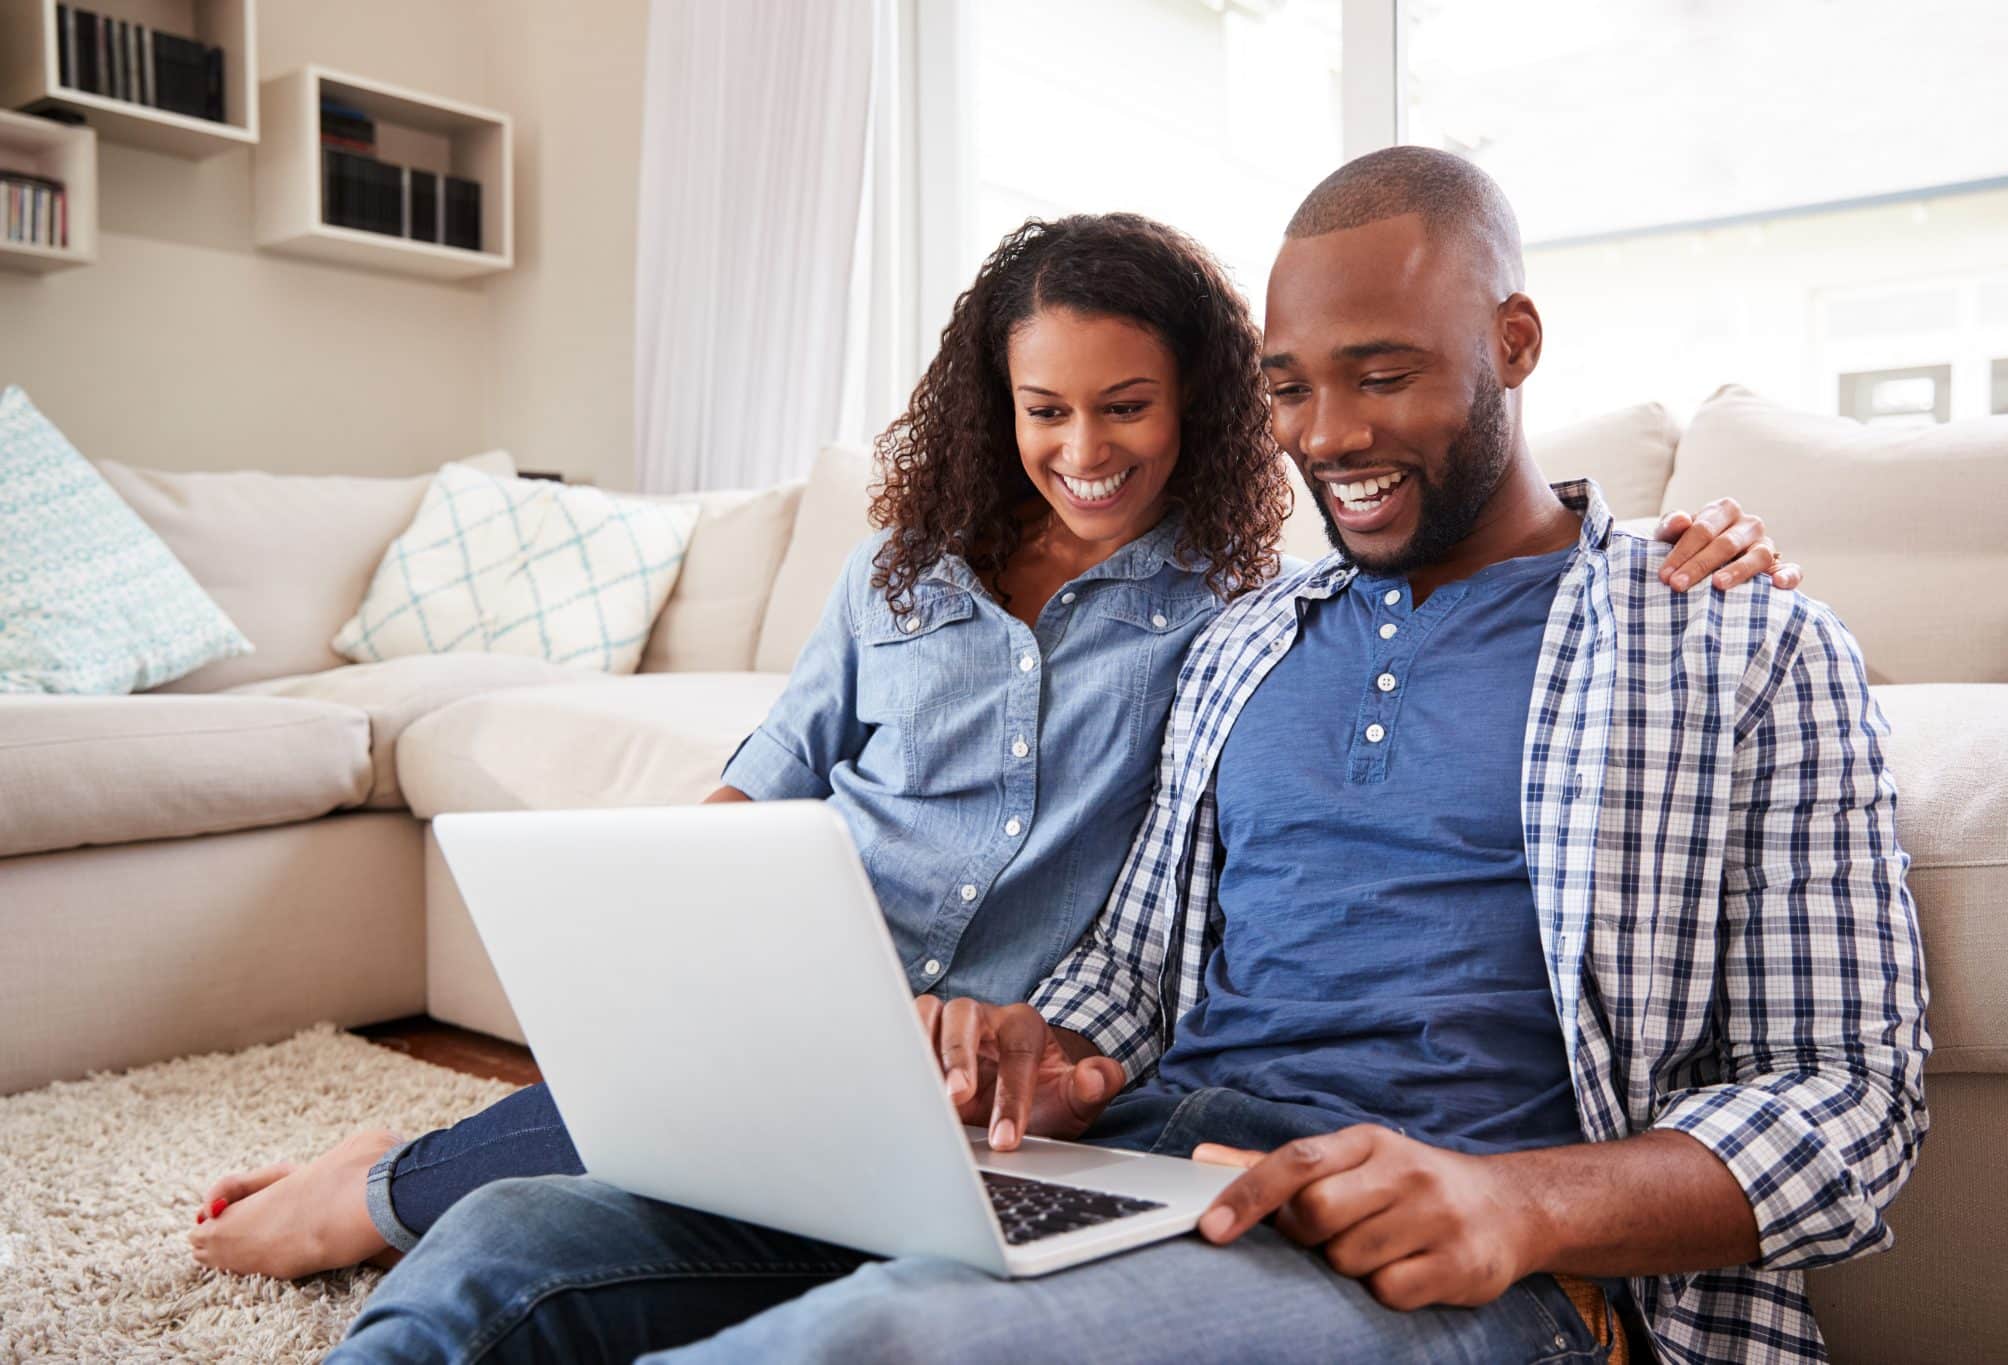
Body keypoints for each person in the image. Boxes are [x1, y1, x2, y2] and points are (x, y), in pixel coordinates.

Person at [192, 209, 1793, 1291]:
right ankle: (418, 1170)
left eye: (1128, 409)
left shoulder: (1243, 607)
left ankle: (390, 1174)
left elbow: (1458, 550)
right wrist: (687, 927)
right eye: (1044, 410)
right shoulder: (901, 574)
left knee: (793, 1175)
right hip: (842, 984)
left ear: (1206, 409)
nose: (1082, 453)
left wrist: (1683, 538)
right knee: (616, 1161)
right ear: (995, 405)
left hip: (990, 1053)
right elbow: (772, 774)